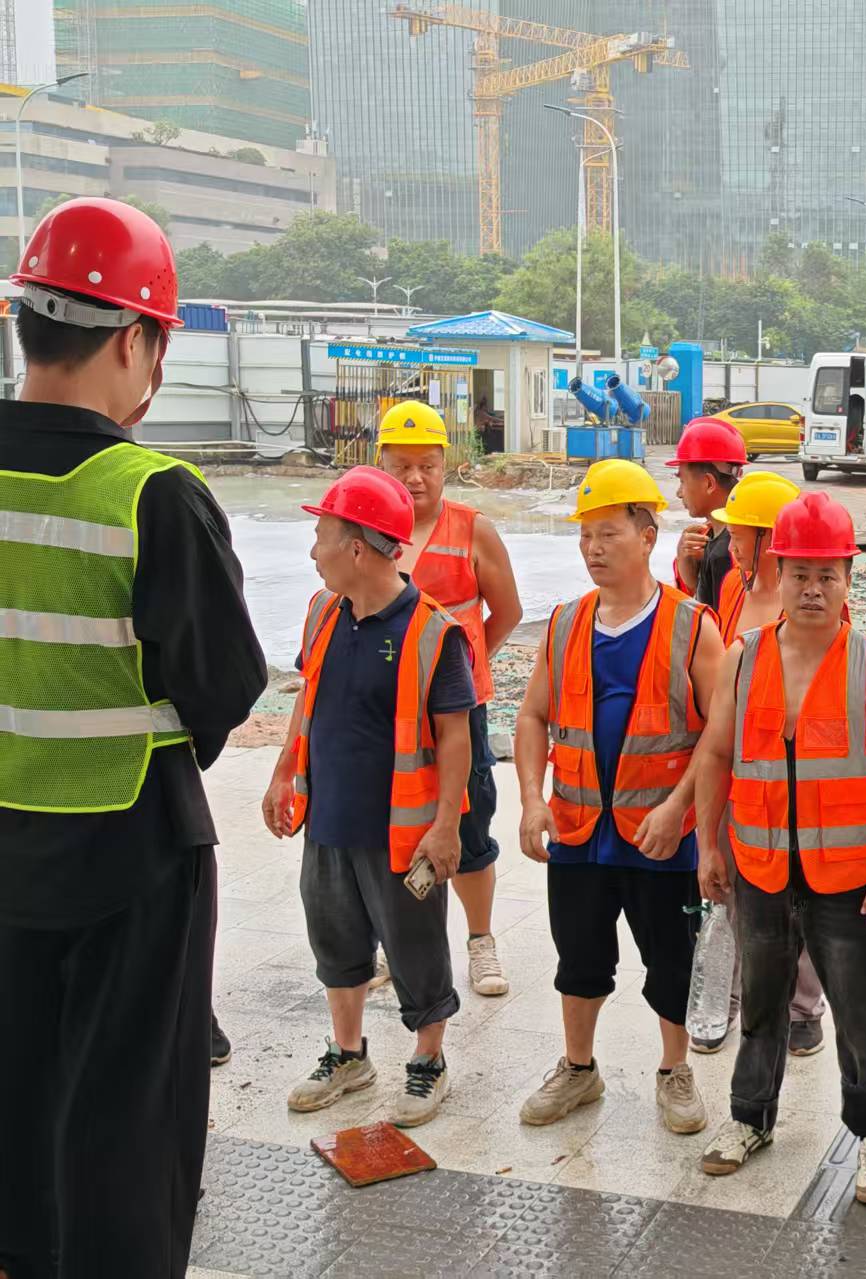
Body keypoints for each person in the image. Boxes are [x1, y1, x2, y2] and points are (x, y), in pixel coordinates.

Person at [0, 197, 267, 1278]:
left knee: (14, 1100)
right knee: (127, 1123)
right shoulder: (150, 495)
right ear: (133, 341)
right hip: (131, 858)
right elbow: (225, 686)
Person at [694, 492, 866, 1205]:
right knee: (760, 1004)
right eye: (800, 574)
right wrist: (708, 847)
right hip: (760, 868)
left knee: (858, 1015)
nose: (813, 589)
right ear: (778, 572)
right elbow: (716, 755)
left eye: (828, 575)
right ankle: (749, 1118)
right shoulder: (743, 657)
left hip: (846, 878)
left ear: (849, 578)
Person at [513, 459, 724, 1136]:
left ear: (647, 535)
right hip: (578, 830)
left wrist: (678, 806)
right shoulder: (565, 623)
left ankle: (674, 1070)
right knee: (578, 958)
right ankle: (579, 1068)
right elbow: (532, 716)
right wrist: (532, 799)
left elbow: (720, 733)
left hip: (661, 836)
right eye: (585, 535)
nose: (593, 548)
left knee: (671, 960)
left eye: (608, 533)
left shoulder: (692, 625)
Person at [261, 466, 473, 1130]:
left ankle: (428, 1059)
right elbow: (309, 698)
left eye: (321, 535)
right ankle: (348, 1054)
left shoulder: (433, 632)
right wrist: (282, 770)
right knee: (335, 939)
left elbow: (458, 736)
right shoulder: (323, 612)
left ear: (357, 547)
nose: (313, 550)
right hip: (329, 818)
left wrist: (446, 826)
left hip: (400, 832)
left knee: (415, 947)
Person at [377, 399, 523, 998]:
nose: (416, 478)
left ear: (446, 465)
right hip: (386, 713)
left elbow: (507, 611)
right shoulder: (368, 527)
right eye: (403, 466)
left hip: (459, 713)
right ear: (381, 463)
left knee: (469, 819)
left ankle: (480, 941)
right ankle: (392, 942)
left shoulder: (472, 529)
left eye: (428, 466)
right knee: (388, 821)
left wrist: (465, 667)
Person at [689, 469, 832, 1059]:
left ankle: (803, 1008)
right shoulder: (733, 588)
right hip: (738, 767)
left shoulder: (808, 606)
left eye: (740, 534)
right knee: (731, 889)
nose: (731, 544)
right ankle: (730, 996)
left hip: (794, 774)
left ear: (769, 539)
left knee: (800, 892)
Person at [669, 416, 746, 607]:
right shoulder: (711, 536)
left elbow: (718, 619)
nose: (679, 493)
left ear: (709, 483)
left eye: (682, 481)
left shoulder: (732, 552)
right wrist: (689, 572)